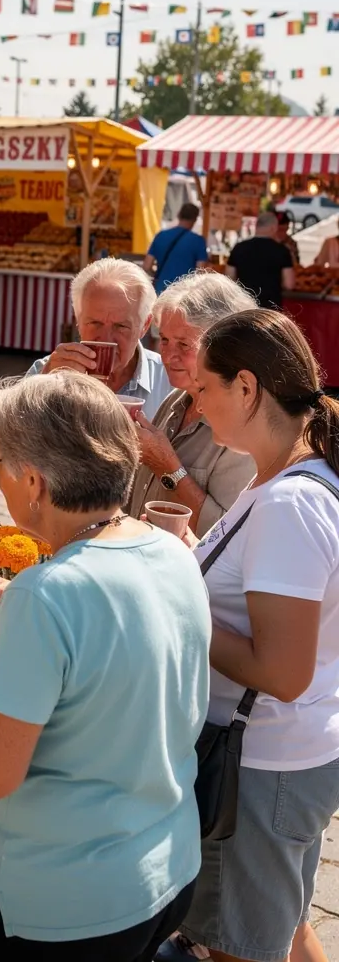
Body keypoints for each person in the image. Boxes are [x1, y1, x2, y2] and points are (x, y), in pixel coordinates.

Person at [0, 371, 210, 961]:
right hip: (164, 867)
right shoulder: (171, 549)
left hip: (63, 909)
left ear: (34, 482)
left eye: (0, 465)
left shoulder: (45, 596)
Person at [175, 309, 339, 962]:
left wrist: (178, 603)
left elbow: (281, 672)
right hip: (287, 755)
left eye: (202, 388)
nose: (195, 404)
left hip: (260, 767)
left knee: (240, 947)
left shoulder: (287, 502)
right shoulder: (290, 476)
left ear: (246, 387)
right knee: (287, 929)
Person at [128, 272, 257, 536]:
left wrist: (167, 466)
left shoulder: (243, 424)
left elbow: (226, 535)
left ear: (222, 348)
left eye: (184, 344)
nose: (168, 355)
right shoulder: (176, 399)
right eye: (164, 340)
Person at [27, 258, 174, 417]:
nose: (106, 339)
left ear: (144, 326)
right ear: (78, 321)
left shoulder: (169, 380)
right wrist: (44, 388)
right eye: (95, 323)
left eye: (120, 326)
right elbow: (14, 429)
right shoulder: (46, 372)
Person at [225, 212, 295, 310]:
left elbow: (229, 278)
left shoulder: (239, 248)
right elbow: (289, 284)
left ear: (256, 226)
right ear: (274, 228)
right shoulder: (282, 251)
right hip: (270, 309)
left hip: (243, 307)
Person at [144, 204, 210, 294]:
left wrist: (159, 276)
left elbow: (147, 266)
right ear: (195, 219)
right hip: (184, 293)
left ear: (179, 215)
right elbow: (200, 272)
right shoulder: (198, 241)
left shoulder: (161, 236)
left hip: (161, 291)